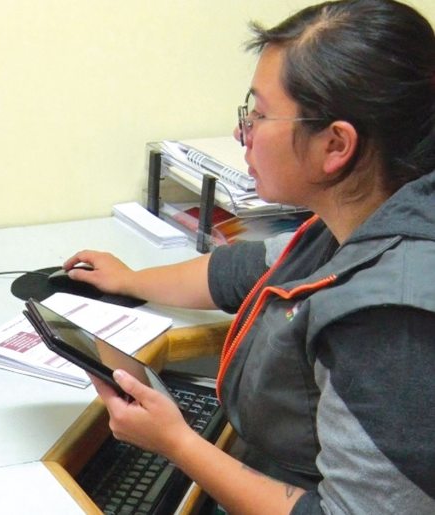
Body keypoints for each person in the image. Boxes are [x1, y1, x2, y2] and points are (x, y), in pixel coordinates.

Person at [62, 0, 435, 513]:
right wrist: (130, 280)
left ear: (336, 145)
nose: (243, 133)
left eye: (259, 115)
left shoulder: (390, 321)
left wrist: (177, 443)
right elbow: (243, 269)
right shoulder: (365, 216)